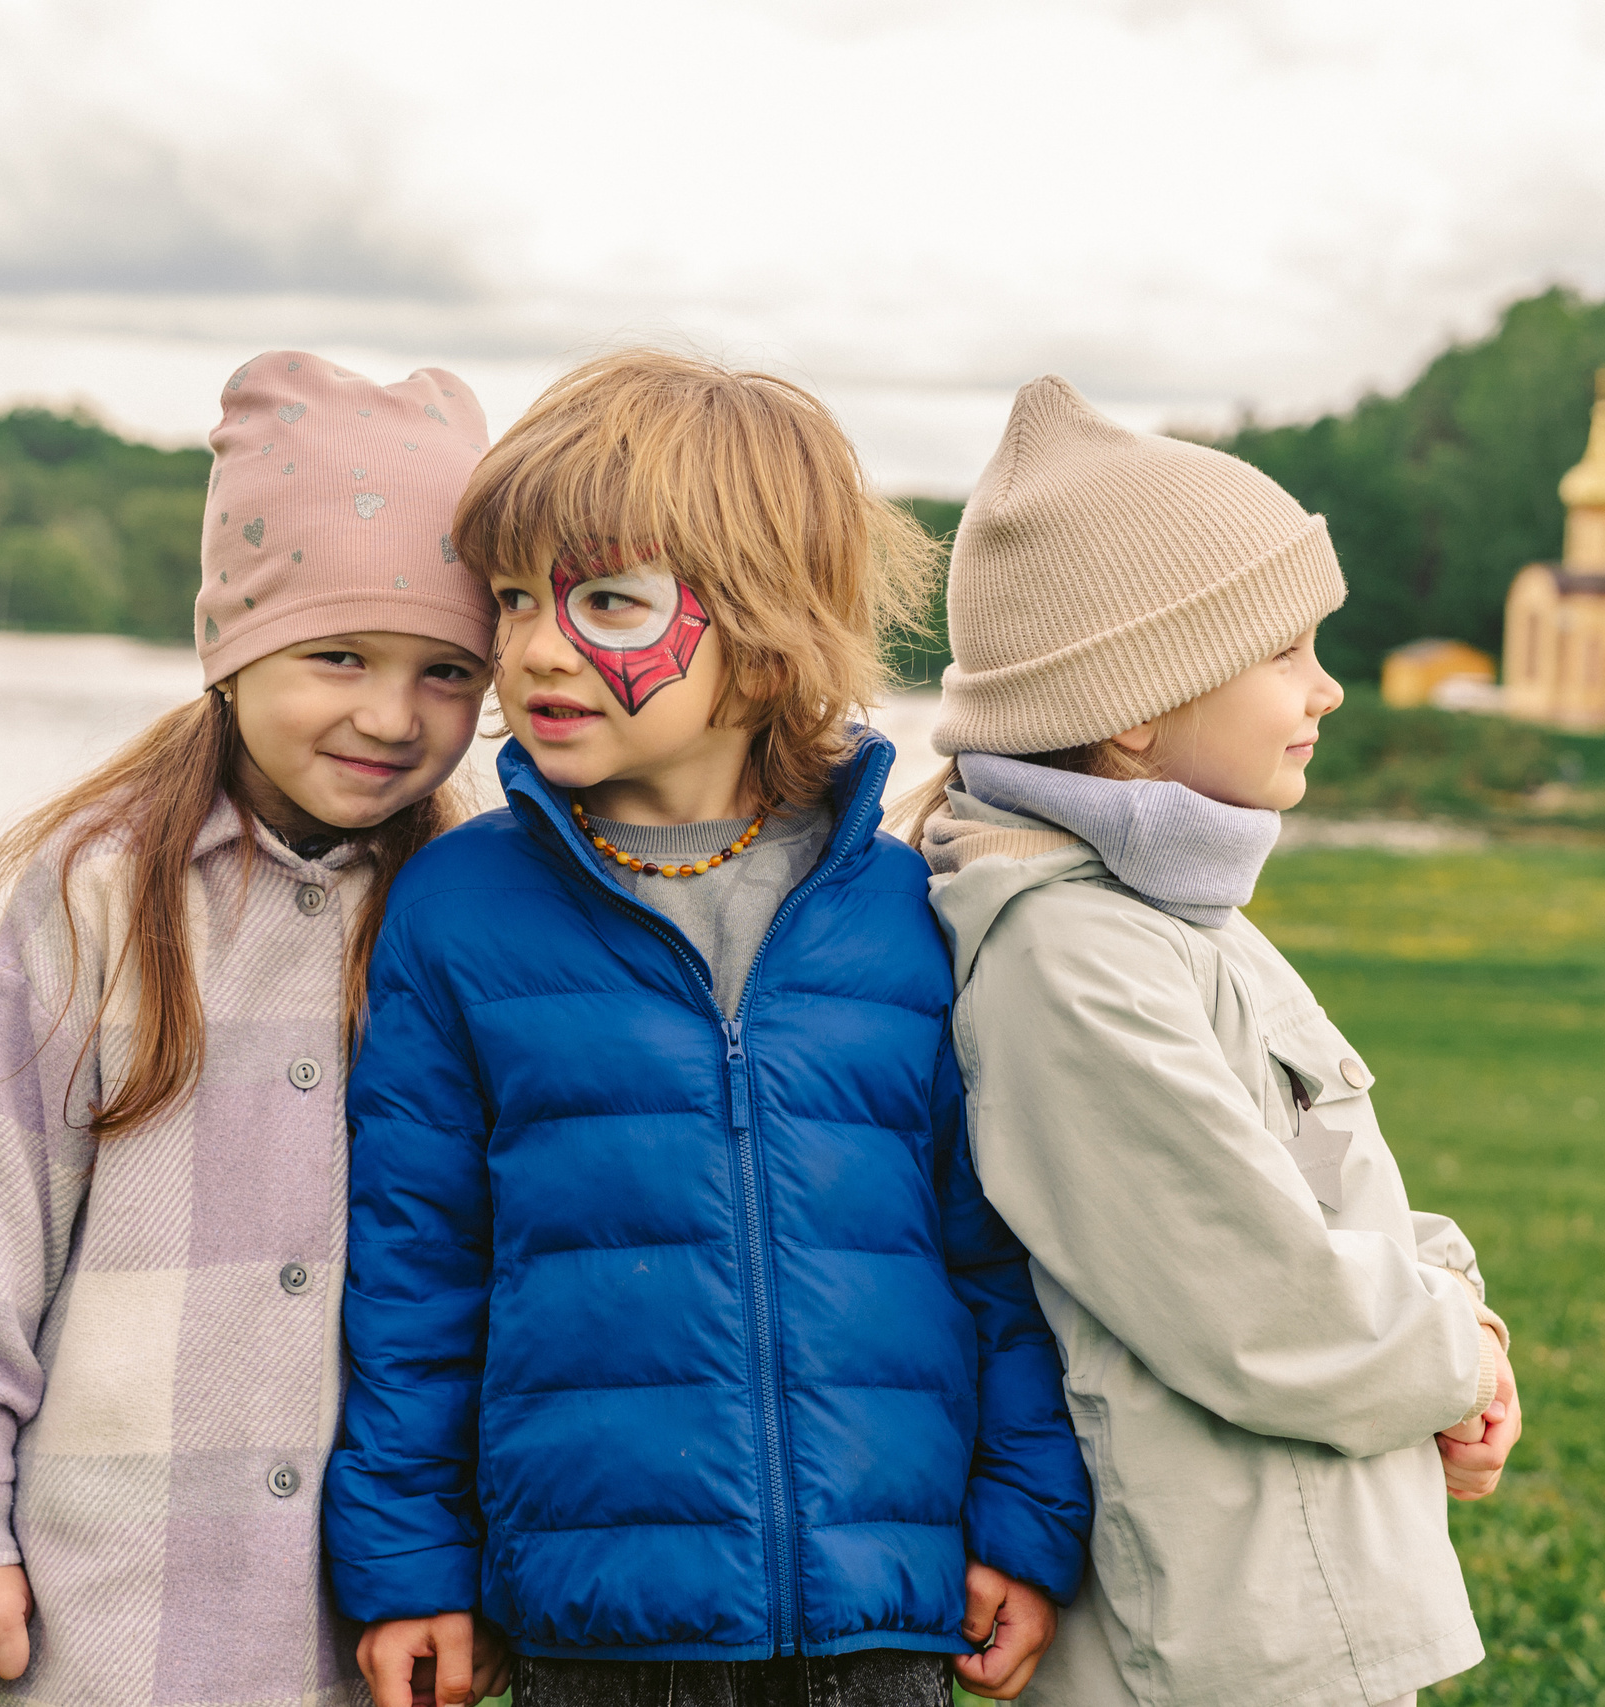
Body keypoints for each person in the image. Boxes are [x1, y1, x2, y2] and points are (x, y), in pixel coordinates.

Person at [321, 350, 1093, 1707]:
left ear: (766, 630)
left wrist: (1024, 1521)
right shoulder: (459, 907)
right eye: (512, 599)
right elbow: (415, 1274)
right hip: (596, 1628)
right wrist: (412, 1562)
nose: (535, 645)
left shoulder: (909, 912)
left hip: (884, 1620)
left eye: (607, 601)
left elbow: (998, 1251)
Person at [0, 353, 504, 1702]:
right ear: (234, 642)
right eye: (340, 655)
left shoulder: (462, 916)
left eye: (447, 672)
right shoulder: (99, 893)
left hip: (357, 1621)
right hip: (111, 1613)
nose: (392, 717)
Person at [896, 377, 1522, 1707]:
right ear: (1138, 702)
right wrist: (1451, 1347)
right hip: (1220, 1634)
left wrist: (1463, 1322)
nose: (1330, 690)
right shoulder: (1067, 960)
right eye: (1286, 652)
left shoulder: (1175, 916)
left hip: (1296, 1589)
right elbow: (1258, 1306)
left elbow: (1323, 1194)